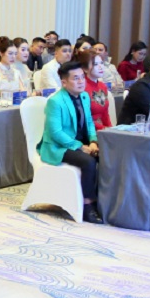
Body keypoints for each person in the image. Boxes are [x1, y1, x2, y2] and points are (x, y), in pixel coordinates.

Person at [36, 62, 102, 223]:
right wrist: (79, 146)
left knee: (107, 155)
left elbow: (89, 123)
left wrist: (93, 141)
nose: (81, 81)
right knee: (88, 161)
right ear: (64, 82)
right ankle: (88, 205)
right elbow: (55, 133)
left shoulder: (84, 96)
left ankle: (103, 200)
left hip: (82, 142)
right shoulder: (55, 101)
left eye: (82, 77)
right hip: (58, 146)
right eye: (75, 78)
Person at [78, 51, 113, 131]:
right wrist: (104, 129)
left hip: (103, 130)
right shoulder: (81, 88)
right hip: (88, 130)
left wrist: (110, 129)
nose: (101, 67)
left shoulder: (102, 86)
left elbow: (105, 113)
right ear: (85, 69)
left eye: (101, 63)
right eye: (95, 64)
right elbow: (86, 118)